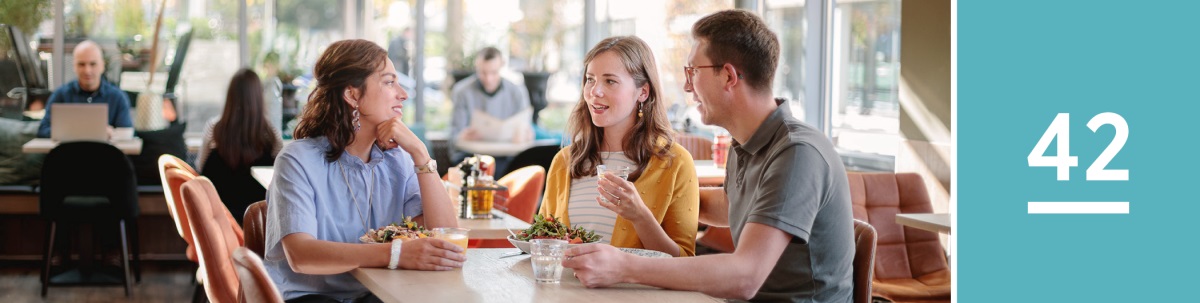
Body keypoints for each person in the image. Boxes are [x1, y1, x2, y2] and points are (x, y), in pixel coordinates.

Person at [562, 10, 855, 302]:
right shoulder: (747, 144)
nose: (687, 86)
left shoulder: (797, 153)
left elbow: (745, 276)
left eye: (693, 72)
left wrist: (624, 267)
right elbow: (731, 205)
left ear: (728, 76)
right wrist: (662, 194)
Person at [265, 39, 463, 302]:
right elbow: (301, 256)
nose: (403, 94)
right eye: (389, 82)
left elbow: (445, 239)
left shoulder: (399, 160)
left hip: (376, 293)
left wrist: (420, 153)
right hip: (310, 297)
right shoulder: (297, 159)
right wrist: (397, 254)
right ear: (353, 95)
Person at [539, 36, 699, 257]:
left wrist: (640, 216)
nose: (595, 91)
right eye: (590, 79)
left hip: (635, 292)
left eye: (610, 81)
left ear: (643, 92)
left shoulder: (675, 163)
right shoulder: (565, 161)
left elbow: (684, 263)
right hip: (566, 291)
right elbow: (543, 240)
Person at [197, 68, 283, 224]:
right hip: (260, 224)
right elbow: (281, 177)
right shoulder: (271, 135)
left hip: (220, 221)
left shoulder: (213, 129)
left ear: (230, 97)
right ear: (259, 97)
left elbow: (200, 169)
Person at [449, 46, 533, 162]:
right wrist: (462, 136)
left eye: (494, 72)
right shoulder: (462, 91)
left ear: (501, 66)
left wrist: (526, 134)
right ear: (477, 66)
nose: (489, 79)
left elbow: (525, 125)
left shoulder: (517, 91)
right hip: (472, 156)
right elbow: (455, 134)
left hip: (506, 155)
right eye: (483, 73)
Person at [37, 40, 132, 138]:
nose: (87, 70)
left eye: (93, 64)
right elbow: (43, 130)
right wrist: (75, 132)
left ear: (102, 66)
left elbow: (126, 133)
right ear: (74, 66)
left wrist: (112, 134)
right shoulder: (61, 95)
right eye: (81, 64)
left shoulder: (118, 97)